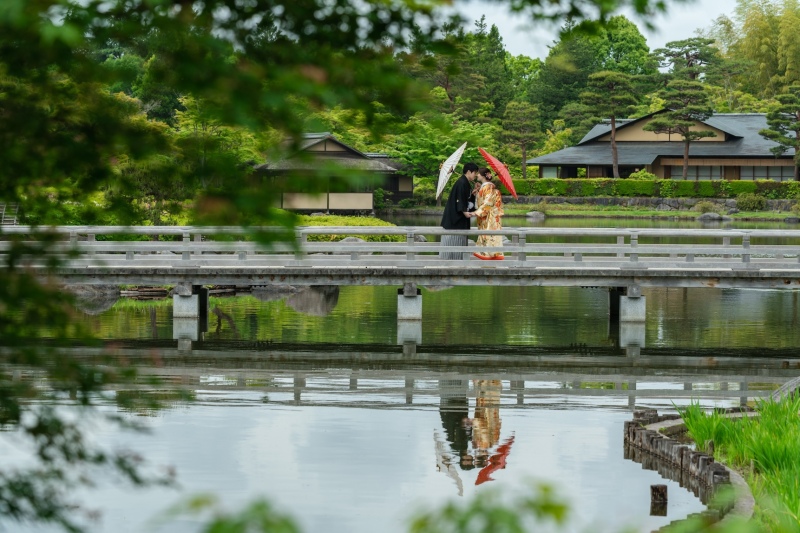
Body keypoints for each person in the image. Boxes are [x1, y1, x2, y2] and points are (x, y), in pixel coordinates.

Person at [439, 162, 479, 260]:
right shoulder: (461, 182)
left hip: (459, 219)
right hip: (455, 220)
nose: (476, 175)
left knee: (459, 242)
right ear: (469, 172)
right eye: (475, 173)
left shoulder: (465, 182)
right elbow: (459, 199)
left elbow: (466, 199)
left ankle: (457, 260)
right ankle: (451, 261)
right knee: (453, 241)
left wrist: (473, 193)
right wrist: (465, 212)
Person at [472, 168, 505, 260]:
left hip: (489, 217)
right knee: (487, 236)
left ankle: (489, 257)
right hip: (486, 216)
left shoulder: (488, 187)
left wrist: (475, 213)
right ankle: (489, 256)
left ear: (483, 176)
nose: (477, 175)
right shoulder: (485, 187)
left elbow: (488, 203)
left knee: (489, 235)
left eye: (478, 174)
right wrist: (478, 192)